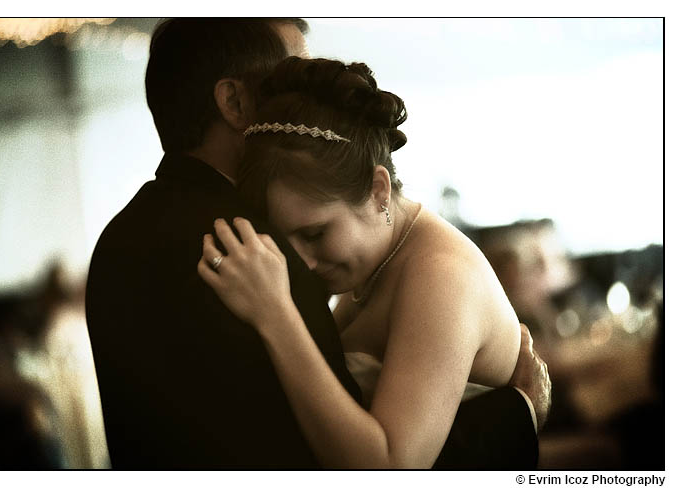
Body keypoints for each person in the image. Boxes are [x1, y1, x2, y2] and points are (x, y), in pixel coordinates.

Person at [86, 18, 549, 469]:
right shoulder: (254, 246)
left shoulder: (117, 241)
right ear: (233, 101)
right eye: (284, 82)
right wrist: (518, 413)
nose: (302, 93)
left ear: (379, 191)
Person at [198, 56, 547, 469]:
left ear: (379, 189)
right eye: (286, 241)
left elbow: (392, 466)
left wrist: (274, 314)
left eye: (315, 234)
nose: (303, 263)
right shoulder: (376, 266)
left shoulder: (442, 275)